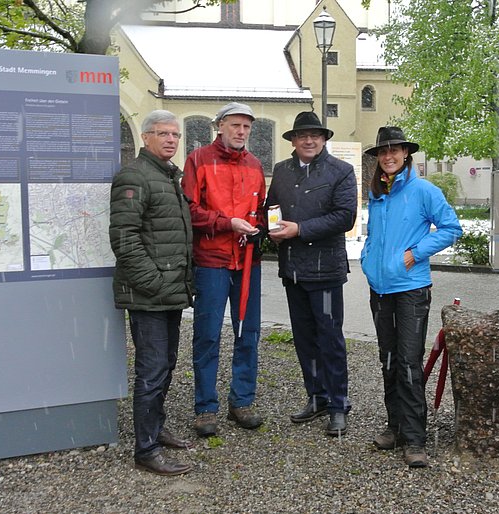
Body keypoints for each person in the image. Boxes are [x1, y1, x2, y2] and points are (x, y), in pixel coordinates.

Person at [360, 126, 462, 468]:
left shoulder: (423, 191)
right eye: (382, 152)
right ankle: (396, 427)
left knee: (407, 362)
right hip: (380, 289)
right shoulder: (377, 193)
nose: (388, 156)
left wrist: (416, 252)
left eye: (395, 150)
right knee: (388, 361)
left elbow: (451, 228)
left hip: (411, 290)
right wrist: (367, 259)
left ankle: (416, 438)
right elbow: (374, 235)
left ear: (406, 154)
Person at [109, 109, 194, 476]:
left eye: (175, 134)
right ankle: (145, 448)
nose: (171, 140)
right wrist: (155, 283)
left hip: (169, 293)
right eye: (162, 133)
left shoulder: (167, 176)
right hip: (151, 295)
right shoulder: (134, 175)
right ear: (146, 138)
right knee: (151, 370)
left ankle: (156, 429)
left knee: (165, 365)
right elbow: (124, 240)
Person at [266, 111, 358, 436]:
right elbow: (272, 210)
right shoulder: (280, 171)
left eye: (315, 135)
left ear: (323, 139)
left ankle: (338, 404)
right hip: (293, 271)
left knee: (330, 339)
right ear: (293, 140)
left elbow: (345, 217)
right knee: (304, 340)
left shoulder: (341, 171)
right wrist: (268, 228)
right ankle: (316, 396)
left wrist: (300, 229)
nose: (309, 140)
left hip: (326, 271)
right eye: (302, 135)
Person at [181, 102, 267, 436]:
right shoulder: (198, 160)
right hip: (212, 260)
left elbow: (259, 209)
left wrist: (260, 225)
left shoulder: (256, 164)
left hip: (247, 262)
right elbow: (189, 209)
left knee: (249, 333)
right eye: (235, 126)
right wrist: (227, 223)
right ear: (220, 126)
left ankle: (241, 400)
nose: (241, 132)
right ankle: (205, 407)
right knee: (207, 335)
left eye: (246, 127)